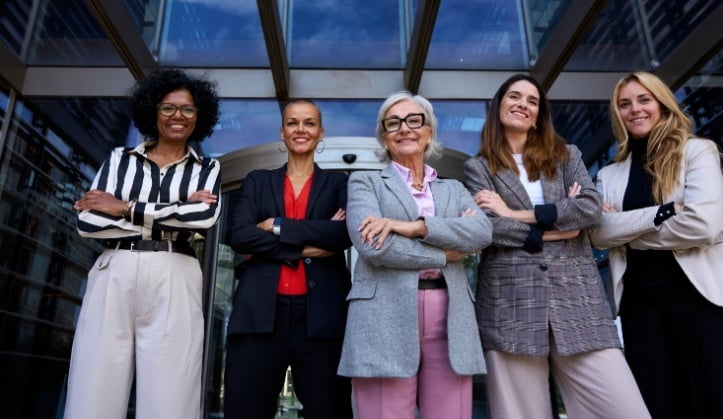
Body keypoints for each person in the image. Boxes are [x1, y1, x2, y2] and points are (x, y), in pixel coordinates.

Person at [589, 71, 723, 419]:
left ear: (662, 103)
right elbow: (600, 234)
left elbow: (704, 225)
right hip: (640, 308)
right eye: (624, 104)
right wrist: (662, 213)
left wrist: (630, 233)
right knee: (661, 404)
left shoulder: (696, 151)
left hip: (703, 299)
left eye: (644, 100)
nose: (635, 109)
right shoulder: (609, 175)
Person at [463, 74, 650, 419]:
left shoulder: (567, 156)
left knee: (623, 409)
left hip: (578, 299)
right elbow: (489, 228)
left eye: (531, 101)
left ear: (538, 116)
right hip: (509, 303)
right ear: (499, 106)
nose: (522, 104)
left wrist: (516, 213)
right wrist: (561, 231)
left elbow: (589, 210)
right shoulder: (478, 167)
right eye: (514, 96)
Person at [66, 68, 221, 419]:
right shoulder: (120, 159)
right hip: (114, 268)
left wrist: (122, 207)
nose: (177, 116)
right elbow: (87, 220)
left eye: (188, 109)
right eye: (168, 107)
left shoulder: (207, 167)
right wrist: (177, 208)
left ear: (200, 116)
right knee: (94, 380)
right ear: (153, 110)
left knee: (172, 392)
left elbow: (202, 219)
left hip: (175, 269)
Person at [337, 91, 491, 419]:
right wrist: (445, 254)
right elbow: (372, 245)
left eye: (413, 120)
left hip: (450, 312)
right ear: (383, 136)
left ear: (429, 131)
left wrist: (413, 228)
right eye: (393, 123)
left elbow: (481, 233)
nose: (404, 128)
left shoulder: (454, 188)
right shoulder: (364, 182)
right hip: (383, 311)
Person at [225, 99, 353, 419]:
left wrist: (276, 226)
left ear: (321, 133)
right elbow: (239, 235)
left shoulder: (340, 183)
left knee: (329, 410)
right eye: (293, 122)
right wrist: (305, 247)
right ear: (282, 132)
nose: (301, 129)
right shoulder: (257, 180)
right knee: (246, 410)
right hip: (259, 314)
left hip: (322, 318)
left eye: (309, 123)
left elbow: (343, 235)